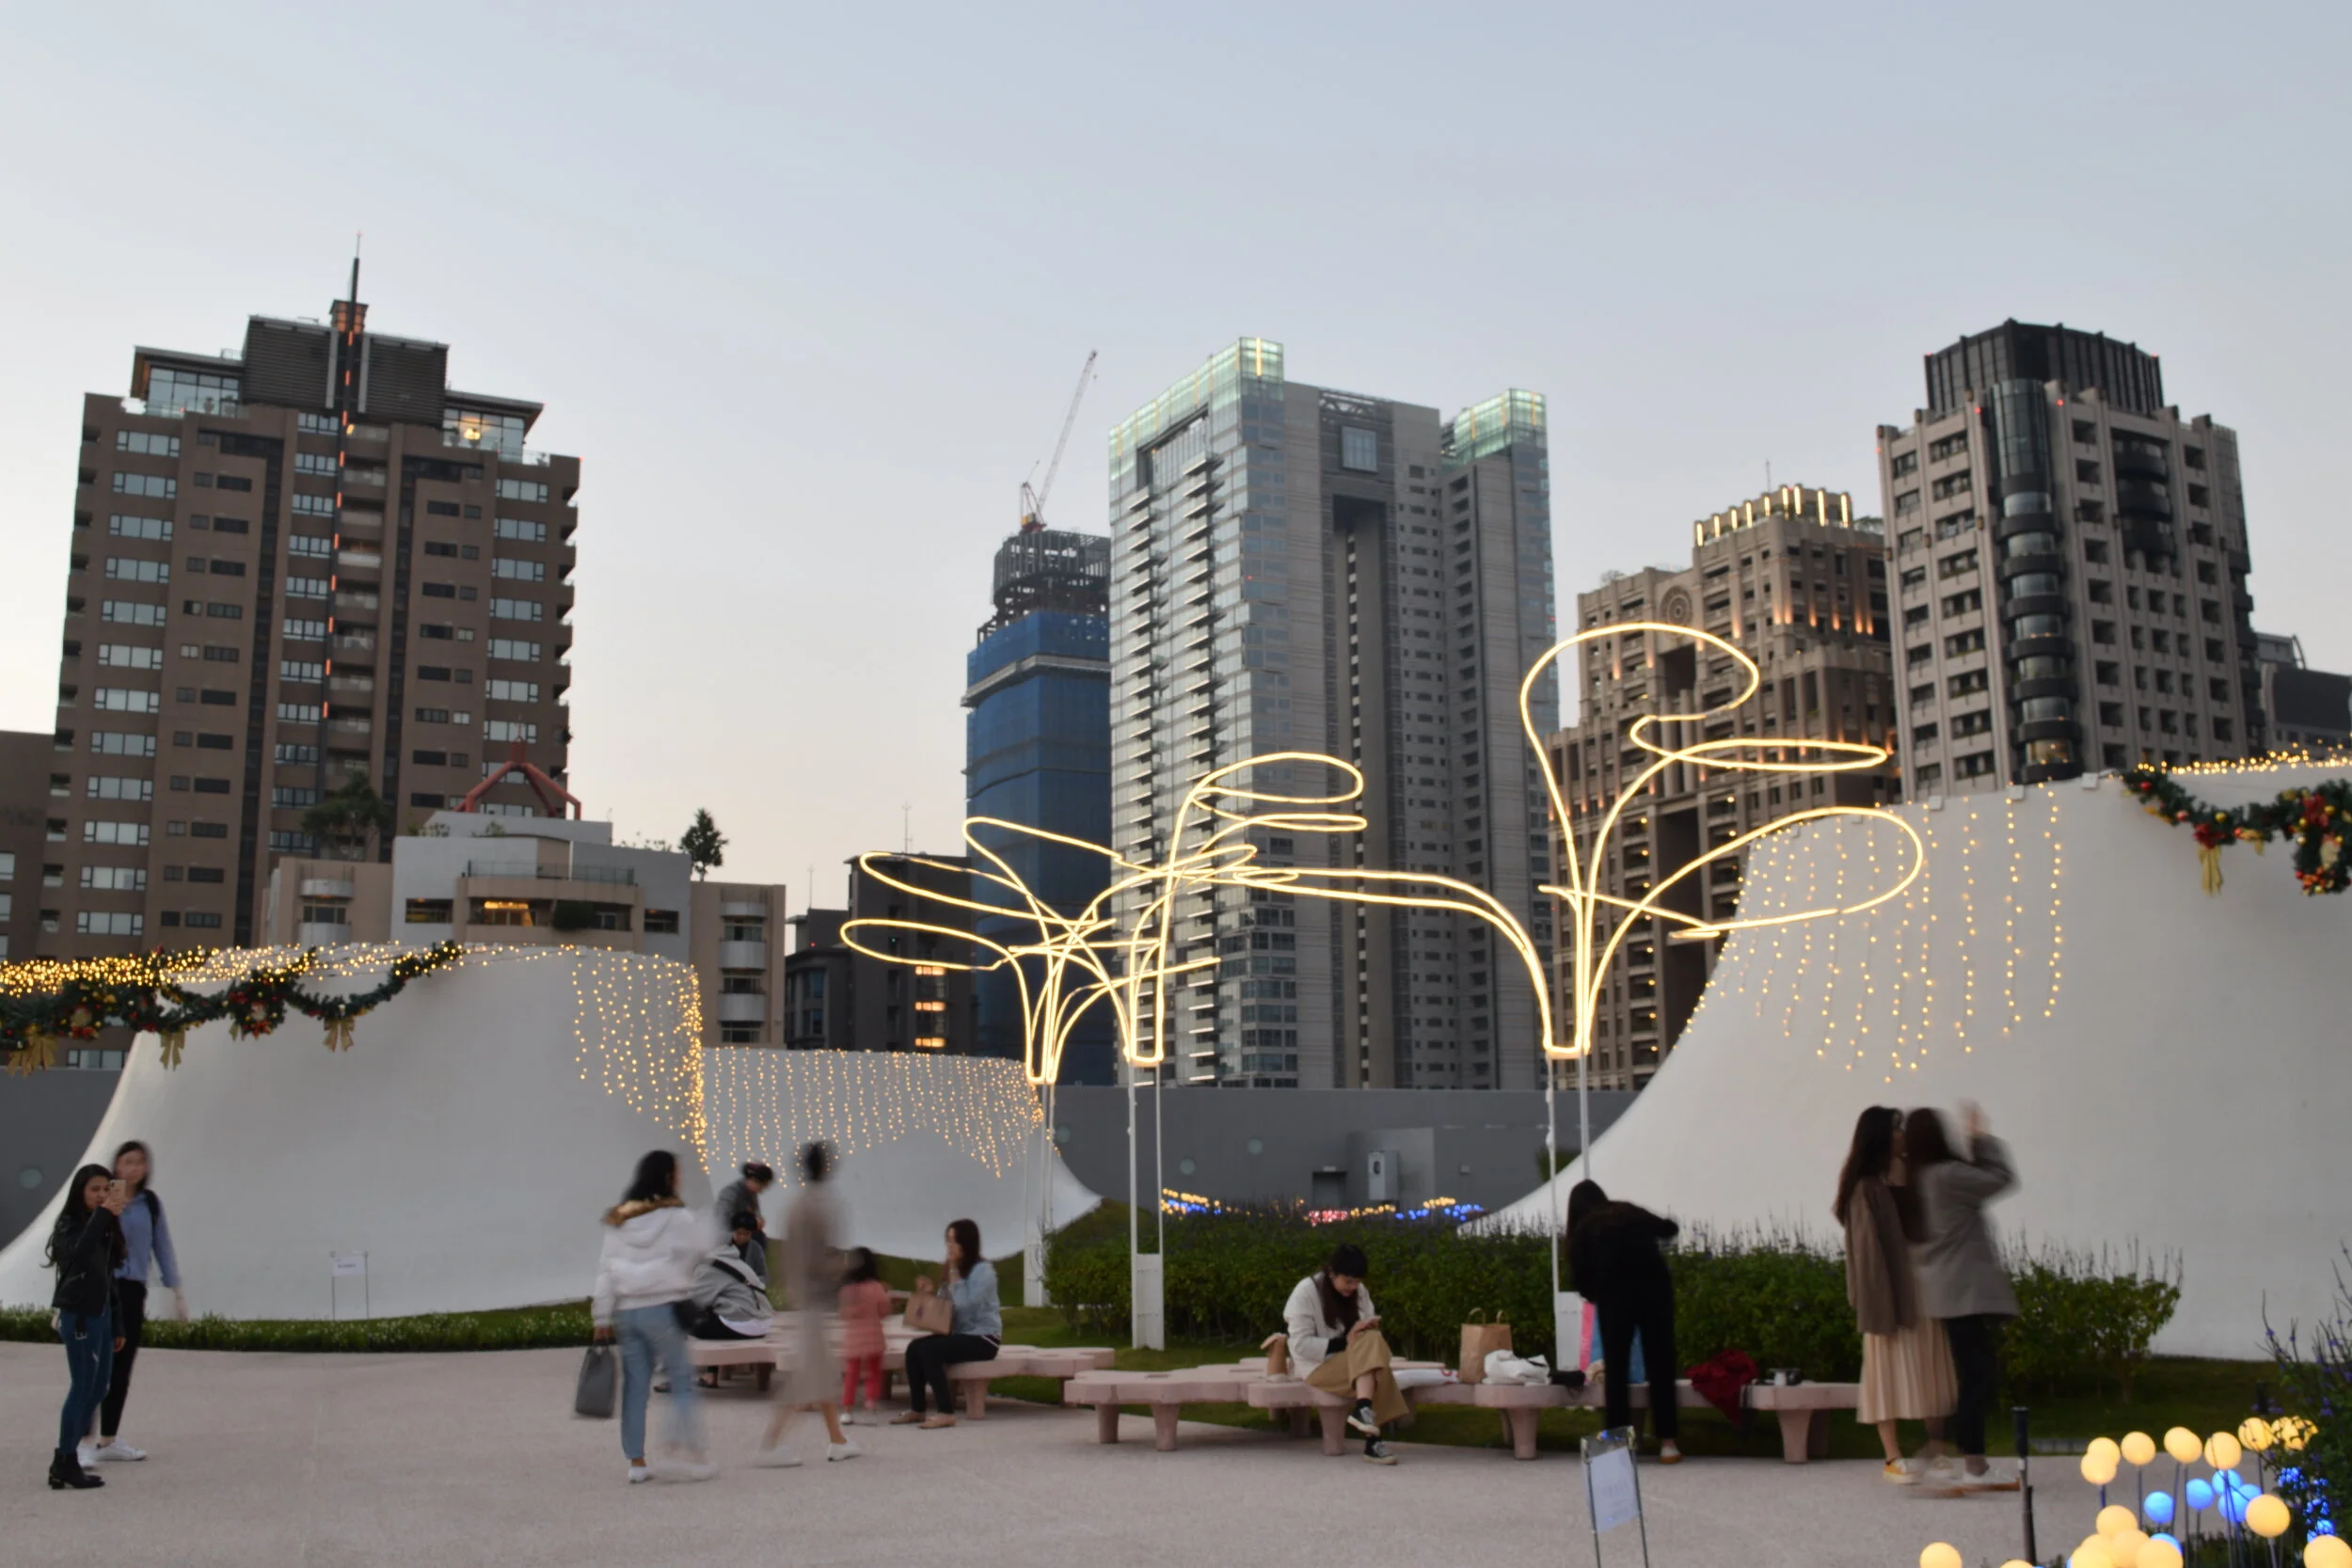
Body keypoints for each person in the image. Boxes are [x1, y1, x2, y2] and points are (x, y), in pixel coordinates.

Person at [1835, 1106, 1955, 1485]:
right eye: (1896, 1129)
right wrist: (1875, 1303)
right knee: (1885, 1374)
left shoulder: (1912, 1173)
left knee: (1931, 1369)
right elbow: (1866, 1254)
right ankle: (1892, 1456)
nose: (1902, 1135)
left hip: (1921, 1287)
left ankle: (1937, 1448)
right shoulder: (1864, 1187)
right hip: (1886, 1294)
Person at [1910, 1102, 2020, 1491]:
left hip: (1941, 1291)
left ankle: (1946, 1448)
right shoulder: (1946, 1175)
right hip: (1964, 1291)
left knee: (1972, 1372)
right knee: (1977, 1375)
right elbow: (2000, 1179)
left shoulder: (1917, 1179)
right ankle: (1971, 1461)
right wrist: (1981, 1140)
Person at [591, 1149, 715, 1485]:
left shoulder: (619, 1219)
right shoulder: (676, 1216)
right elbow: (700, 1250)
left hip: (627, 1312)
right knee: (682, 1380)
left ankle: (637, 1462)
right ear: (667, 1177)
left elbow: (605, 1270)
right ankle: (689, 1454)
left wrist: (601, 1317)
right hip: (663, 1308)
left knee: (635, 1388)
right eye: (677, 1172)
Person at [1567, 1180, 1683, 1464]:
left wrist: (1598, 1293)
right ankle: (1668, 1443)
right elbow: (1669, 1228)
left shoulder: (1583, 1229)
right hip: (1656, 1290)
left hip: (1615, 1297)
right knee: (1661, 1364)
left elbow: (1579, 1277)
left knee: (1616, 1371)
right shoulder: (1627, 1211)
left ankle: (1619, 1447)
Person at [87, 1139, 183, 1465]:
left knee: (122, 1363)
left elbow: (162, 1244)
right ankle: (81, 1439)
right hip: (102, 1286)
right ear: (116, 1165)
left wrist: (175, 1288)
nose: (133, 1168)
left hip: (131, 1290)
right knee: (94, 1364)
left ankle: (108, 1438)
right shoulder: (102, 1197)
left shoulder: (149, 1204)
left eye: (139, 1162)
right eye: (127, 1161)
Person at [759, 1143, 856, 1464]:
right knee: (807, 1375)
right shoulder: (816, 1208)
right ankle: (770, 1444)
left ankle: (837, 1439)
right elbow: (816, 1260)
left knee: (819, 1371)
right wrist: (843, 1265)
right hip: (813, 1298)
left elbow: (791, 1257)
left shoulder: (799, 1205)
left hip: (803, 1297)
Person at [1283, 1242, 1407, 1465]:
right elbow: (1300, 1345)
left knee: (1373, 1347)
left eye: (1357, 1281)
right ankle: (1372, 1440)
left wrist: (1365, 1329)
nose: (1353, 1287)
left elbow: (1367, 1332)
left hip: (1354, 1359)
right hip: (1317, 1366)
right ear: (1332, 1273)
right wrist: (1345, 1342)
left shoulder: (1359, 1291)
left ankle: (1364, 1410)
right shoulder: (1306, 1292)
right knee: (1375, 1360)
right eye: (1348, 1281)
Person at [45, 1164, 126, 1492]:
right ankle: (65, 1460)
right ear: (80, 1192)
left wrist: (117, 1323)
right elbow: (77, 1253)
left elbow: (108, 1277)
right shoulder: (69, 1224)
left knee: (99, 1388)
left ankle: (67, 1459)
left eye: (107, 1189)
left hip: (101, 1315)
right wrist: (103, 1216)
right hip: (79, 1314)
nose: (101, 1195)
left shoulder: (104, 1226)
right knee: (82, 1387)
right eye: (94, 1189)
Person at [895, 1217, 1000, 1431]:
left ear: (967, 1243)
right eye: (947, 1240)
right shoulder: (954, 1271)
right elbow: (946, 1311)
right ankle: (917, 1409)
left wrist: (954, 1275)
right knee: (914, 1348)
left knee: (930, 1350)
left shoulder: (984, 1271)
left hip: (983, 1338)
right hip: (961, 1335)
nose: (949, 1246)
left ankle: (946, 1412)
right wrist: (928, 1294)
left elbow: (966, 1307)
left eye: (954, 1241)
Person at [689, 1211, 775, 1359]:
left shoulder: (708, 1265)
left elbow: (694, 1300)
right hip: (763, 1321)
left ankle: (695, 1366)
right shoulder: (730, 1258)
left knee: (689, 1321)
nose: (741, 1237)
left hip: (744, 1323)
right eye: (738, 1233)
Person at [836, 1247, 891, 1426]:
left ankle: (847, 1410)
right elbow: (884, 1310)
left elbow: (843, 1314)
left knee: (851, 1375)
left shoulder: (846, 1291)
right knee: (873, 1373)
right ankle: (870, 1405)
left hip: (853, 1340)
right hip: (874, 1337)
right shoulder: (876, 1288)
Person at [713, 1161, 774, 1243]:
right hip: (727, 1237)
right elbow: (722, 1223)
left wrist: (757, 1221)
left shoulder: (751, 1193)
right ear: (753, 1180)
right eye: (763, 1185)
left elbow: (755, 1214)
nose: (762, 1190)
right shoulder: (730, 1194)